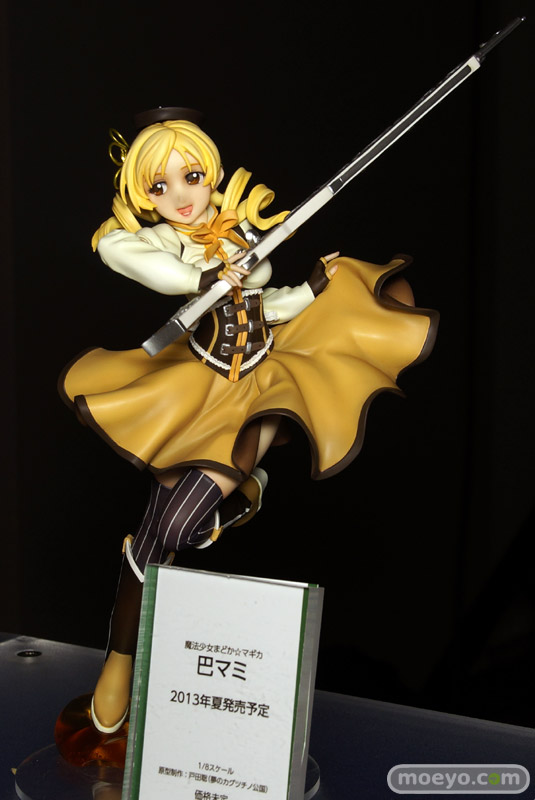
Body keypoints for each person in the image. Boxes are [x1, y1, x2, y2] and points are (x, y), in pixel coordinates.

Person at [59, 107, 437, 734]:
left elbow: (267, 306)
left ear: (212, 174)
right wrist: (201, 275)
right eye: (160, 185)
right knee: (155, 534)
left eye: (192, 177)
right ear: (143, 193)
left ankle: (241, 490)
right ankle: (120, 663)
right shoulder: (160, 242)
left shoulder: (237, 232)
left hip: (259, 383)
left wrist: (311, 289)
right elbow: (125, 255)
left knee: (174, 525)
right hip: (195, 385)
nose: (181, 196)